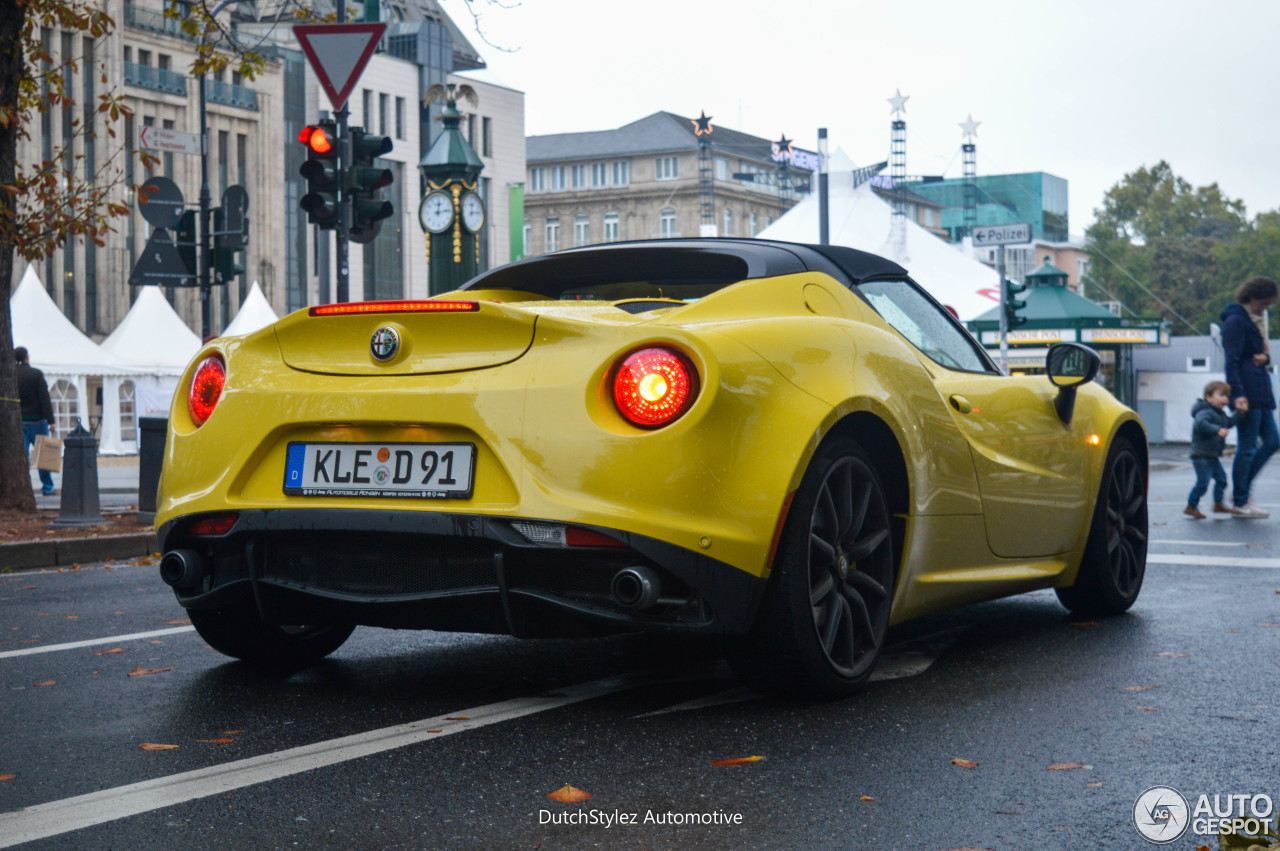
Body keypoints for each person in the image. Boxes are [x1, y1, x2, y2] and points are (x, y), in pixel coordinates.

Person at [1221, 276, 1279, 518]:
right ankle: (1240, 500)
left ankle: (1241, 493)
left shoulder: (1252, 321)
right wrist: (1238, 394)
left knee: (1273, 441)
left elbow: (1261, 354)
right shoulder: (1236, 320)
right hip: (1247, 390)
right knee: (1246, 446)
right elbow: (1231, 361)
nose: (1263, 308)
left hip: (1259, 389)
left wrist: (1266, 359)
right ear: (1251, 297)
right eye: (1262, 304)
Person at [1185, 381, 1247, 518]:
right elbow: (1201, 424)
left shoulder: (1220, 414)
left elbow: (1229, 423)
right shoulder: (1204, 411)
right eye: (1221, 395)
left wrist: (1239, 413)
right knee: (1203, 483)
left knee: (1222, 480)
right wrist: (1217, 430)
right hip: (1201, 454)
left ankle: (1218, 504)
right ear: (1209, 397)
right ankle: (1191, 506)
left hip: (1212, 455)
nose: (1225, 399)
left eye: (1227, 396)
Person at [15, 346, 56, 495]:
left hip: (19, 422)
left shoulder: (11, 375)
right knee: (43, 457)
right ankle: (47, 487)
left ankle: (22, 487)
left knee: (22, 457)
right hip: (38, 421)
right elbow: (44, 398)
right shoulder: (36, 374)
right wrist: (51, 420)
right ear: (26, 357)